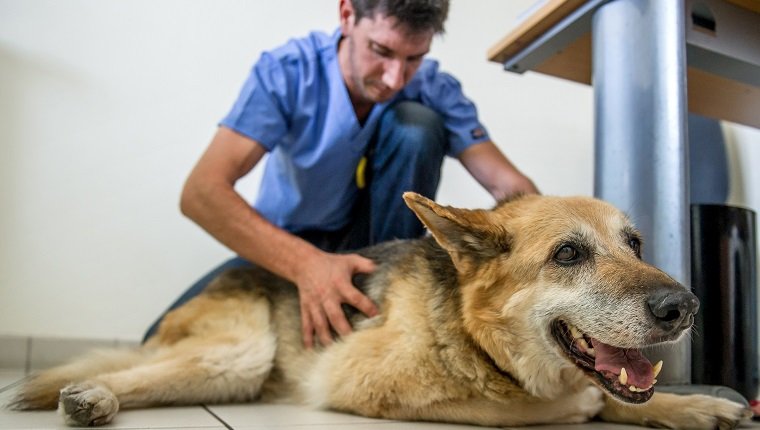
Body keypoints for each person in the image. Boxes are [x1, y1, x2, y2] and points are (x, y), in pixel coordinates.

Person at [143, 0, 538, 348]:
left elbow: (513, 190)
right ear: (347, 14)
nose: (394, 79)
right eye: (380, 50)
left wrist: (544, 263)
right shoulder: (286, 73)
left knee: (416, 125)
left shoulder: (435, 88)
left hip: (379, 250)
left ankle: (385, 313)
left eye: (414, 58)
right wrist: (307, 265)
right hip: (287, 245)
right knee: (157, 339)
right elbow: (201, 194)